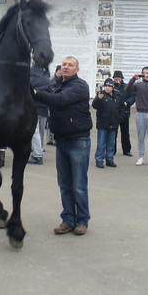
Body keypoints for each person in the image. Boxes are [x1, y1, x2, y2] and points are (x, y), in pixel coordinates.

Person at [34, 56, 92, 236]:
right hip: (61, 141)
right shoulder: (56, 84)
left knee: (79, 185)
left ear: (77, 69)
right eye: (64, 64)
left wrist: (35, 94)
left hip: (78, 141)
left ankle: (82, 220)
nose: (66, 67)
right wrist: (24, 87)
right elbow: (39, 90)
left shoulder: (79, 86)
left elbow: (59, 100)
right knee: (64, 184)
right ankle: (68, 219)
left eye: (71, 65)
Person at [92, 77, 125, 168]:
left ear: (113, 87)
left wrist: (120, 118)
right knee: (101, 143)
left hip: (113, 124)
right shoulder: (101, 95)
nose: (107, 88)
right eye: (105, 86)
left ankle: (109, 159)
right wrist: (98, 99)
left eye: (109, 86)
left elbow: (122, 108)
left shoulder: (117, 96)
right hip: (103, 124)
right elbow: (94, 106)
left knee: (111, 143)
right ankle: (99, 160)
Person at [28, 63, 50, 165]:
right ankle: (39, 151)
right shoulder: (46, 80)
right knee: (40, 132)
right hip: (44, 109)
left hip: (33, 109)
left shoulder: (30, 80)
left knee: (34, 132)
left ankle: (37, 155)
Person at [113, 70, 136, 157]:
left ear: (122, 78)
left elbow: (133, 97)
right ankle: (112, 150)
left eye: (118, 77)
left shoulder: (127, 87)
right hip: (114, 113)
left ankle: (126, 150)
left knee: (125, 132)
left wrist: (127, 103)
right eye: (115, 77)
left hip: (125, 112)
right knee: (113, 132)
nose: (117, 79)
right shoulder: (111, 87)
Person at [46, 65, 63, 146]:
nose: (61, 71)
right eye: (59, 70)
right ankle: (50, 138)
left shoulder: (62, 80)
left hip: (57, 102)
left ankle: (53, 138)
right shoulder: (52, 79)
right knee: (50, 121)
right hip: (51, 101)